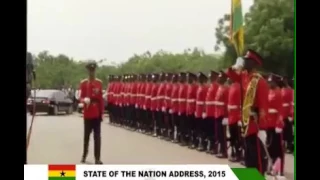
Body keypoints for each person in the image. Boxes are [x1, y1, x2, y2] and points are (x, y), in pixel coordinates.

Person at [226, 49, 269, 175]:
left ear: (253, 63)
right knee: (249, 158)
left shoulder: (259, 81)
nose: (244, 62)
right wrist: (234, 66)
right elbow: (231, 75)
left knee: (257, 159)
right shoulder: (244, 77)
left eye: (247, 60)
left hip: (255, 125)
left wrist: (262, 128)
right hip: (246, 123)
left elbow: (263, 106)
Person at [79, 61, 104, 164]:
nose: (92, 72)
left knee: (97, 137)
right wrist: (84, 100)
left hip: (96, 113)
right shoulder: (83, 83)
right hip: (88, 113)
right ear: (88, 71)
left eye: (93, 70)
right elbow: (80, 97)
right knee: (86, 137)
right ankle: (84, 155)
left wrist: (101, 113)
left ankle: (97, 158)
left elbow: (101, 100)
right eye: (90, 70)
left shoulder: (99, 83)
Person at [266, 74, 285, 177]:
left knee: (278, 148)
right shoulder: (269, 92)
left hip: (275, 125)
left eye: (271, 82)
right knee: (270, 147)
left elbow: (281, 111)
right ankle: (272, 166)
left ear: (275, 82)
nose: (269, 83)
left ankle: (280, 169)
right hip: (269, 123)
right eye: (269, 82)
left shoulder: (279, 93)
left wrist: (279, 124)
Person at [214, 71, 229, 159]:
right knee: (218, 134)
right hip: (217, 113)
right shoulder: (219, 88)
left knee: (223, 135)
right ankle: (220, 150)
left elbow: (226, 103)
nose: (218, 79)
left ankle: (224, 152)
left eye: (220, 78)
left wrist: (226, 116)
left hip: (222, 114)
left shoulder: (226, 89)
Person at [227, 77, 242, 162]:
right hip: (231, 117)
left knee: (237, 138)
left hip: (236, 117)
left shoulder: (238, 88)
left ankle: (238, 154)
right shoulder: (232, 87)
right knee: (233, 137)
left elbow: (240, 104)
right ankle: (233, 152)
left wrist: (240, 118)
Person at [204, 70, 219, 153]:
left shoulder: (216, 86)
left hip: (213, 112)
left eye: (211, 77)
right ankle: (210, 145)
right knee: (209, 130)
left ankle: (214, 147)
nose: (210, 78)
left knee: (213, 132)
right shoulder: (210, 86)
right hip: (209, 112)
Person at [194, 72, 208, 150]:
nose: (198, 79)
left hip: (202, 111)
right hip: (198, 111)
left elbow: (205, 101)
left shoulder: (205, 88)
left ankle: (204, 144)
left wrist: (204, 111)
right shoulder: (199, 87)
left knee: (203, 129)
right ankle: (200, 142)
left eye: (200, 78)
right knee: (199, 128)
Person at [281, 77, 294, 153]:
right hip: (282, 112)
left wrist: (291, 114)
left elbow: (291, 103)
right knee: (282, 129)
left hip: (288, 112)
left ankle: (289, 146)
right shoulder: (282, 90)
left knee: (288, 130)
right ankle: (283, 145)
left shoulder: (291, 90)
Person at [186, 72, 198, 148]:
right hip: (189, 109)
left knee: (194, 127)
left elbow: (197, 100)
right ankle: (191, 141)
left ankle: (195, 142)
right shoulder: (189, 86)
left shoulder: (195, 87)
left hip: (194, 110)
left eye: (189, 78)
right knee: (190, 127)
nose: (188, 79)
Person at [177, 72, 188, 145]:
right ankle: (181, 138)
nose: (180, 78)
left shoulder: (186, 86)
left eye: (181, 77)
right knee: (180, 124)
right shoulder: (179, 86)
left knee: (184, 125)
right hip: (180, 109)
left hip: (185, 109)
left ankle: (185, 139)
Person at [170, 74, 180, 143]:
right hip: (173, 108)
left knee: (178, 124)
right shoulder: (173, 87)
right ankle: (174, 136)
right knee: (174, 123)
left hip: (178, 108)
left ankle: (178, 137)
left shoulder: (178, 87)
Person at [156, 72, 167, 138]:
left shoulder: (165, 85)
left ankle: (165, 132)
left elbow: (165, 97)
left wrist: (164, 106)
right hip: (159, 105)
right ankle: (160, 131)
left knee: (164, 120)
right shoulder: (160, 85)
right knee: (159, 119)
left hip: (163, 105)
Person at [163, 73, 173, 140]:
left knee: (170, 121)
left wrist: (171, 107)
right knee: (166, 121)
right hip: (166, 106)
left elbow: (172, 98)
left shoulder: (171, 86)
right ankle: (167, 133)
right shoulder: (166, 86)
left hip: (170, 106)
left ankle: (171, 134)